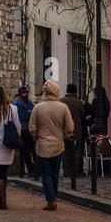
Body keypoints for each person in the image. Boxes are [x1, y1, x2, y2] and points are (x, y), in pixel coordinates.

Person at [30, 81, 73, 210]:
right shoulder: (63, 107)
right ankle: (53, 196)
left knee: (46, 173)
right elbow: (70, 126)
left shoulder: (38, 107)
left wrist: (36, 137)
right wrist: (65, 135)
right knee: (55, 172)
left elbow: (32, 127)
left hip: (43, 144)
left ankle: (51, 198)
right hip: (58, 144)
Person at [61, 83, 88, 178]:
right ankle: (75, 171)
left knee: (65, 151)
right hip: (76, 130)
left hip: (64, 130)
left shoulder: (61, 101)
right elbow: (82, 114)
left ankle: (66, 170)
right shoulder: (79, 103)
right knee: (76, 151)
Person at [14, 86, 37, 178]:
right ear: (20, 94)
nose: (25, 94)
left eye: (26, 92)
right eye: (23, 93)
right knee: (25, 152)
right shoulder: (17, 104)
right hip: (22, 130)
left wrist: (29, 113)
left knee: (33, 151)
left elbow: (33, 113)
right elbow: (22, 116)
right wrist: (29, 113)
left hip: (30, 129)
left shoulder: (30, 103)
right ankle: (28, 170)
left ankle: (36, 170)